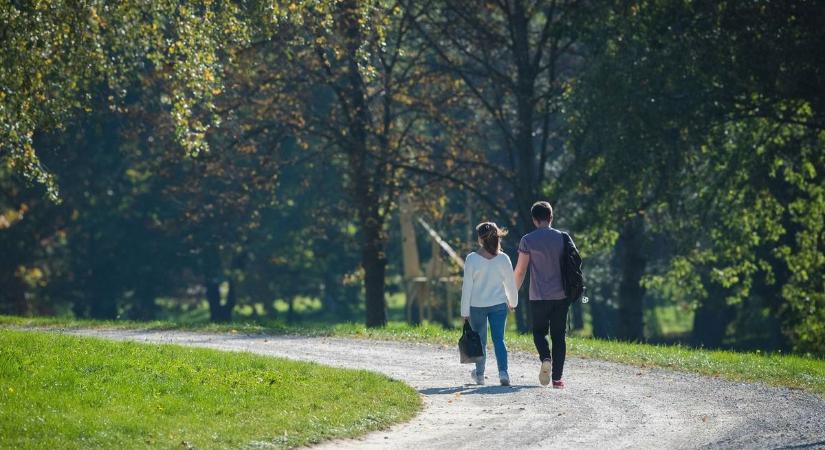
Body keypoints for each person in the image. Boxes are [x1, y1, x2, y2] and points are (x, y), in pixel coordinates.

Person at [514, 201, 576, 389]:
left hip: (538, 297)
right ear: (551, 217)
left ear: (534, 220)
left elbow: (521, 271)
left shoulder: (527, 240)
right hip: (561, 296)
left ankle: (545, 358)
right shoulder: (564, 238)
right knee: (559, 336)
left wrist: (512, 295)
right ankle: (557, 379)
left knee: (539, 333)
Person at [460, 222, 519, 386]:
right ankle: (503, 373)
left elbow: (467, 288)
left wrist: (464, 311)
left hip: (476, 306)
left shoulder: (472, 259)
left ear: (480, 239)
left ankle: (479, 375)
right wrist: (513, 302)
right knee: (499, 339)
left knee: (480, 341)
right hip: (499, 305)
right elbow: (510, 283)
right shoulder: (503, 259)